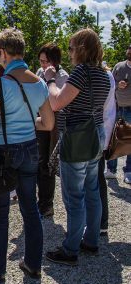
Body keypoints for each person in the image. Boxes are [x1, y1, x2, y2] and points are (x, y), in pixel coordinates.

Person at [0, 28, 54, 281]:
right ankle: (33, 264)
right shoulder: (40, 82)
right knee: (30, 208)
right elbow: (48, 123)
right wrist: (25, 122)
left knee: (0, 211)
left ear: (3, 52)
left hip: (3, 152)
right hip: (30, 148)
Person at [44, 28, 111, 266]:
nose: (70, 52)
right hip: (96, 132)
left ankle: (70, 249)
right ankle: (91, 241)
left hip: (78, 135)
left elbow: (57, 102)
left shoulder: (81, 72)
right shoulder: (104, 74)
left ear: (81, 48)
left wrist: (50, 79)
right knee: (92, 189)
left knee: (74, 195)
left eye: (71, 48)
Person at [36, 43, 69, 217]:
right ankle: (41, 201)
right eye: (40, 61)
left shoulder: (63, 76)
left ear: (55, 61)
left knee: (47, 165)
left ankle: (46, 205)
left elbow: (59, 103)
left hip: (55, 125)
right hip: (39, 121)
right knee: (38, 162)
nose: (42, 65)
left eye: (45, 61)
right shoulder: (40, 72)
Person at [105, 45, 131, 183]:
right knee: (113, 138)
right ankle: (111, 170)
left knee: (129, 141)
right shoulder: (119, 66)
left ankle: (129, 171)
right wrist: (118, 83)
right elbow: (111, 82)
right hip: (117, 106)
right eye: (129, 49)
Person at [99, 69, 116, 236]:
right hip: (103, 131)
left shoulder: (101, 75)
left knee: (96, 181)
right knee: (98, 181)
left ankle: (100, 222)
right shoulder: (107, 74)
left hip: (97, 134)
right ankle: (101, 222)